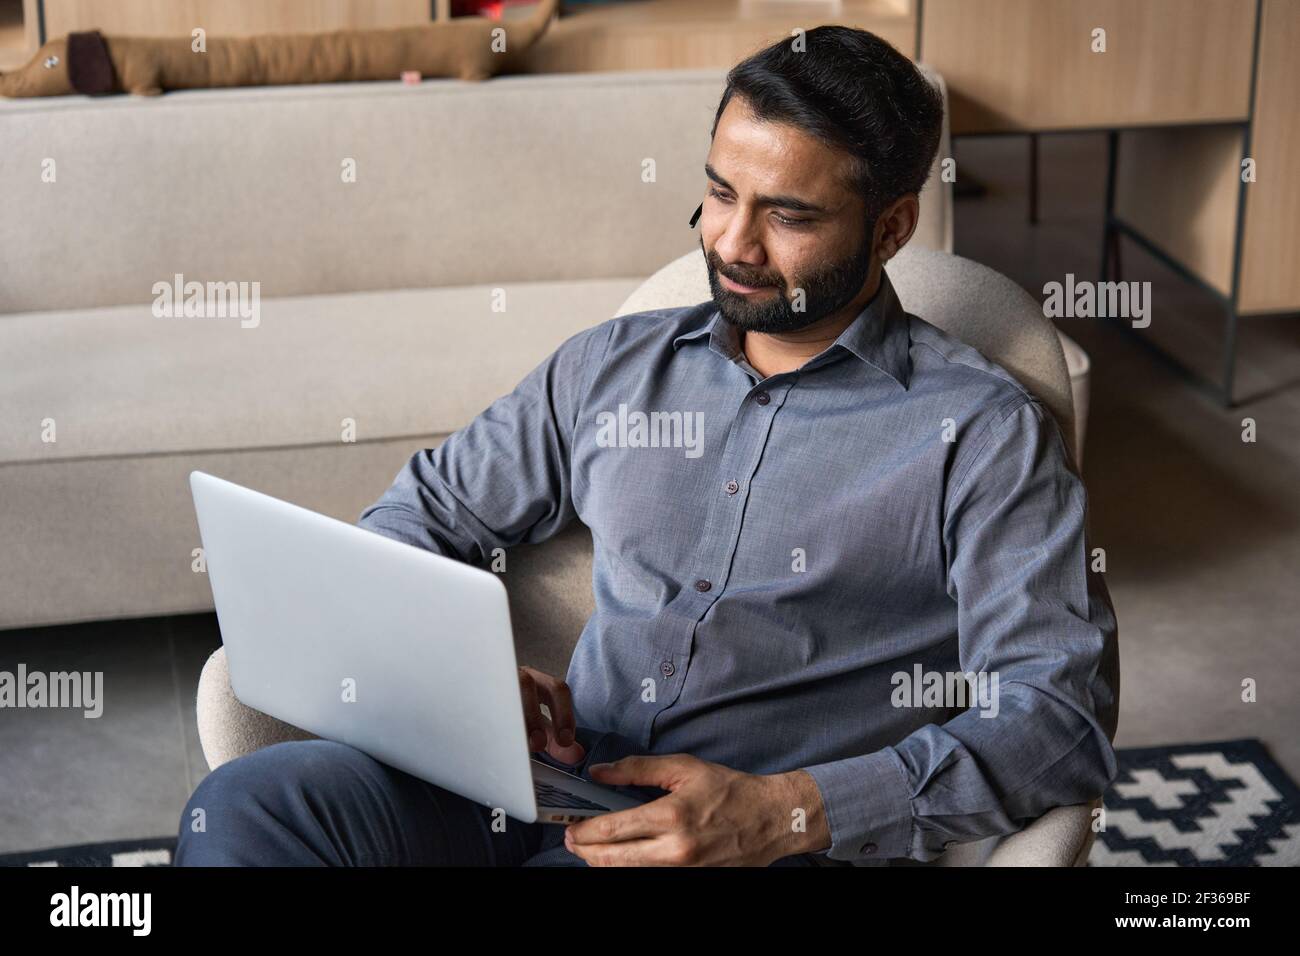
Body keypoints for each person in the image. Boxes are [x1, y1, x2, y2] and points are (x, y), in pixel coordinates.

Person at [176, 24, 1119, 867]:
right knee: (250, 810)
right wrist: (454, 677)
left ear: (892, 227)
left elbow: (1056, 718)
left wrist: (784, 813)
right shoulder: (614, 367)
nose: (733, 242)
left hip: (762, 849)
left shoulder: (983, 435)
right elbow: (417, 519)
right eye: (719, 193)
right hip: (543, 789)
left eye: (788, 215)